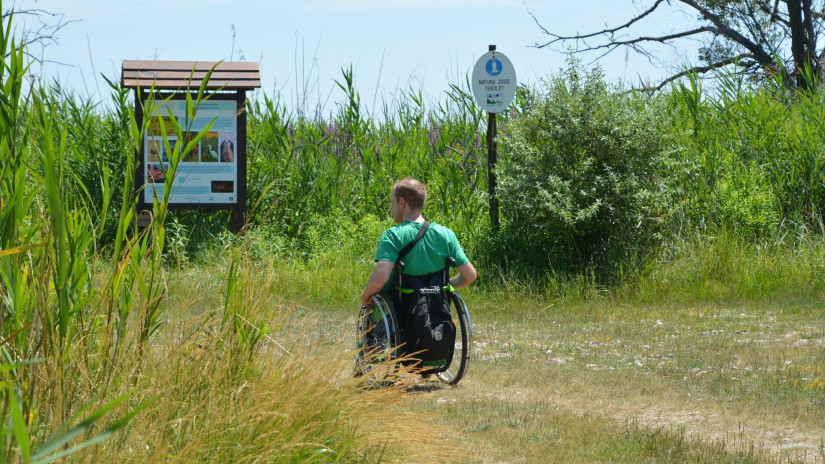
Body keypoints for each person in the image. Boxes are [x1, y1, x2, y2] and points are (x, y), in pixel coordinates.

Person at [360, 177, 477, 308]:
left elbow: (380, 279)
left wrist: (365, 294)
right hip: (436, 310)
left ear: (401, 202)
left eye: (393, 203)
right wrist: (442, 286)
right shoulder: (446, 234)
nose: (392, 209)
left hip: (399, 310)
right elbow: (470, 275)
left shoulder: (393, 236)